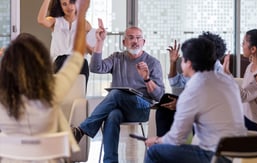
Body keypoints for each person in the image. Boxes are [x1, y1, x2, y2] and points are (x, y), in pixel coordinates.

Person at [0, 0, 89, 162]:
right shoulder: (52, 89)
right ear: (41, 61)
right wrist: (81, 14)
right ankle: (73, 132)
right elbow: (77, 57)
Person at [72, 21, 165, 163]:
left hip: (143, 108)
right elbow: (96, 68)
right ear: (124, 42)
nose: (135, 41)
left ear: (144, 41)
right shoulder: (117, 58)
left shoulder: (153, 63)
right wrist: (99, 42)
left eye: (138, 38)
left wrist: (146, 79)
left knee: (115, 94)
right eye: (131, 37)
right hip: (120, 108)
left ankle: (82, 130)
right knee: (113, 115)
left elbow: (159, 96)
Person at [145, 36, 246, 163]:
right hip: (238, 153)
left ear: (188, 63)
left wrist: (156, 140)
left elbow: (177, 138)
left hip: (215, 156)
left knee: (155, 150)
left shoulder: (196, 87)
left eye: (183, 59)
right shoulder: (227, 81)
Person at [156, 31, 227, 136]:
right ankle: (164, 143)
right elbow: (175, 83)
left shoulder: (218, 70)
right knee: (166, 100)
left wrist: (182, 104)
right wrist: (173, 62)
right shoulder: (196, 65)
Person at [37, 0, 92, 85]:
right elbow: (41, 20)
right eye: (64, 4)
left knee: (82, 62)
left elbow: (92, 51)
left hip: (79, 62)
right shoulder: (55, 21)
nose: (69, 7)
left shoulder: (84, 24)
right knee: (63, 59)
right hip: (59, 61)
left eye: (71, 2)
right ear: (61, 7)